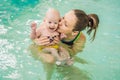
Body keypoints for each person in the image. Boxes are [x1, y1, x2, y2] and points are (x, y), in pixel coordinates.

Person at [31, 9, 99, 64]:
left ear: (74, 32)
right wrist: (36, 41)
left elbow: (72, 53)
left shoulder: (80, 39)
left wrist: (60, 46)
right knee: (50, 61)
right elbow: (34, 38)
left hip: (59, 52)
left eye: (65, 24)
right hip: (39, 49)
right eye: (63, 17)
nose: (60, 23)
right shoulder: (50, 24)